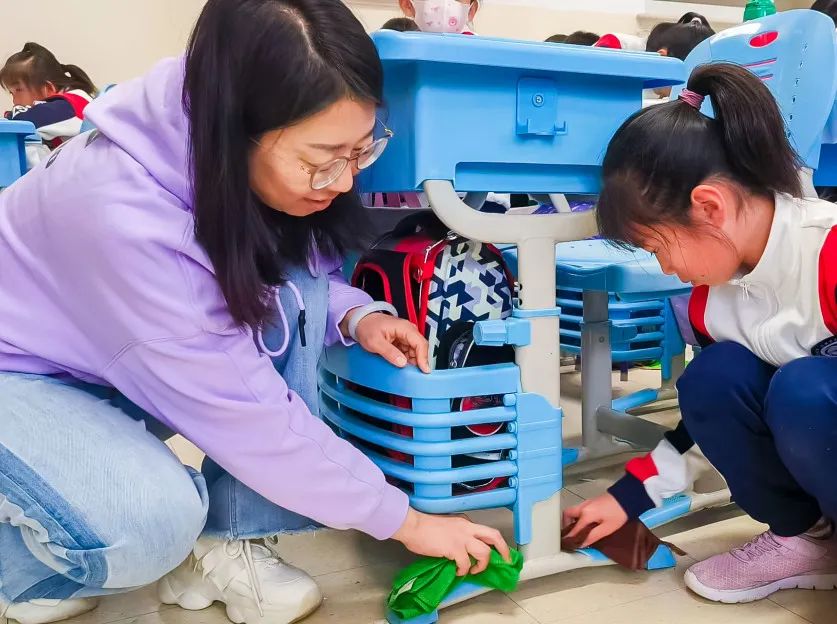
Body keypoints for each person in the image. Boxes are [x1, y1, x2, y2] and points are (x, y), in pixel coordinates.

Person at [0, 2, 511, 624]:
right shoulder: (121, 214)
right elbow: (247, 417)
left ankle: (230, 539)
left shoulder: (215, 154)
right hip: (19, 375)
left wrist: (353, 314)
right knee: (144, 529)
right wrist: (405, 522)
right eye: (322, 158)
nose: (343, 181)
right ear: (234, 126)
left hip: (98, 359)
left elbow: (288, 283)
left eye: (361, 151)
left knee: (291, 290)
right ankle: (30, 564)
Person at [564, 63, 837, 605]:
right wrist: (627, 499)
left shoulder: (825, 251)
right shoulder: (714, 298)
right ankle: (809, 540)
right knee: (712, 379)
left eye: (659, 247)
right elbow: (702, 425)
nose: (665, 268)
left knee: (806, 387)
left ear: (709, 207)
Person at [1, 43, 97, 166]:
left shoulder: (70, 106)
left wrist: (10, 116)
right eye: (11, 93)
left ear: (48, 88)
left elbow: (22, 122)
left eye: (18, 90)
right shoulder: (74, 100)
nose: (15, 101)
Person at [398, 0, 479, 34]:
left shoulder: (478, 51)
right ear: (407, 5)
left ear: (471, 10)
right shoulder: (400, 45)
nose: (444, 5)